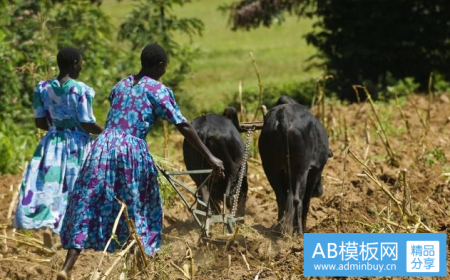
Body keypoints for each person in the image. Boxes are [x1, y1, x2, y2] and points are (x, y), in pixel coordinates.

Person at [57, 43, 224, 280]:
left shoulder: (121, 84)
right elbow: (183, 124)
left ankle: (67, 267)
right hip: (130, 151)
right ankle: (140, 268)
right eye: (164, 67)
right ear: (159, 66)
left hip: (102, 147)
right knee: (141, 208)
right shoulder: (158, 90)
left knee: (89, 203)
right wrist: (210, 156)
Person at [13, 47, 103, 248]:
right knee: (75, 187)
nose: (81, 66)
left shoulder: (43, 88)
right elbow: (87, 121)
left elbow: (39, 122)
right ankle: (70, 233)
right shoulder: (81, 90)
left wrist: (56, 127)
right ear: (74, 64)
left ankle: (48, 225)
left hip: (52, 143)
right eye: (80, 62)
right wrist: (106, 132)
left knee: (50, 186)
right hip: (76, 145)